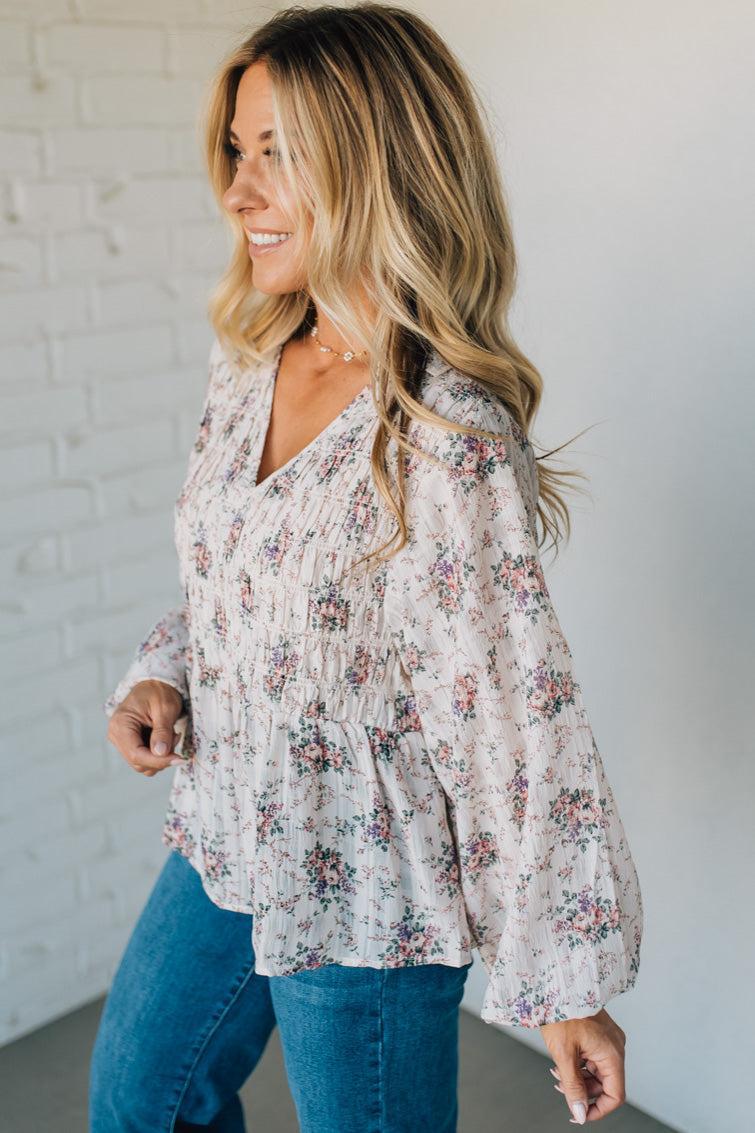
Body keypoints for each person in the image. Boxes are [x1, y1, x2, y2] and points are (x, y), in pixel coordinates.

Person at [89, 5, 643, 1131]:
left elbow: (512, 718)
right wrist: (167, 671)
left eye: (278, 156)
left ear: (375, 167)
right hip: (228, 824)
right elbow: (234, 586)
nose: (238, 192)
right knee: (139, 1097)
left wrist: (564, 985)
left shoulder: (446, 431)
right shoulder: (249, 362)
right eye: (239, 152)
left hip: (368, 885)